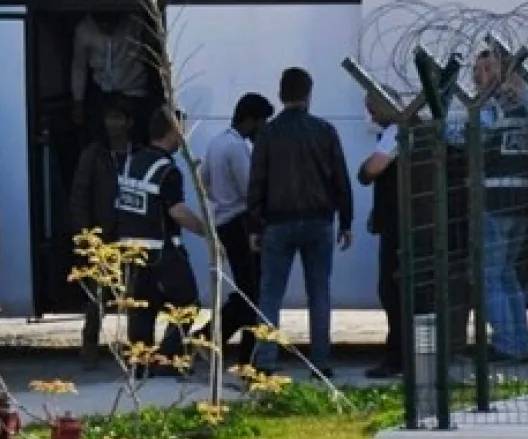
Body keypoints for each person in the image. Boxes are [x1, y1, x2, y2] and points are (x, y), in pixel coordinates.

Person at [246, 67, 354, 376]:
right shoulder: (325, 131)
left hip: (278, 223)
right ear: (308, 94)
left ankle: (265, 362)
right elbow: (341, 180)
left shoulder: (267, 133)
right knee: (319, 292)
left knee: (270, 294)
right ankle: (320, 363)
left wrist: (254, 225)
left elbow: (258, 181)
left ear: (281, 95)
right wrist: (346, 221)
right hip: (319, 221)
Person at [448, 50, 528, 363]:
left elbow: (462, 136)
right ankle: (521, 342)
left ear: (494, 72)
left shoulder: (489, 107)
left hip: (492, 201)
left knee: (488, 276)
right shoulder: (522, 105)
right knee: (507, 275)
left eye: (480, 70)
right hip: (520, 201)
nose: (475, 78)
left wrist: (440, 114)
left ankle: (508, 344)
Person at [115, 107, 207, 378]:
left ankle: (138, 365)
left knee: (142, 309)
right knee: (188, 303)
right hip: (162, 251)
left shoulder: (131, 161)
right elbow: (176, 211)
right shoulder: (167, 170)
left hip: (131, 250)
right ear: (172, 132)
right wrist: (209, 233)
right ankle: (167, 358)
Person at [203, 92, 275, 368]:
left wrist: (220, 199)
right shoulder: (237, 148)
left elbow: (204, 179)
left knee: (246, 288)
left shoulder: (217, 142)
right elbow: (251, 189)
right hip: (240, 222)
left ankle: (211, 339)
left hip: (223, 219)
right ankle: (244, 354)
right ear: (250, 120)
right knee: (252, 293)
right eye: (262, 122)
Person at [69, 94, 136, 367]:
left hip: (132, 232)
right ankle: (90, 345)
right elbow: (80, 194)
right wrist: (85, 233)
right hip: (103, 233)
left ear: (129, 122)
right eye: (110, 118)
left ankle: (135, 348)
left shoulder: (138, 153)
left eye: (118, 118)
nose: (113, 124)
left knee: (134, 294)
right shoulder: (94, 154)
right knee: (97, 294)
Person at [358, 93, 403, 380]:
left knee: (391, 291)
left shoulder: (395, 133)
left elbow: (372, 169)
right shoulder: (406, 129)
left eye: (373, 110)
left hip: (398, 225)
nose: (371, 117)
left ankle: (396, 357)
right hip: (399, 220)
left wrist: (363, 170)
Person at [71, 13, 151, 143]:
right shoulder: (84, 29)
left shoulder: (136, 22)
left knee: (136, 138)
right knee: (99, 138)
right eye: (101, 25)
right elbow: (79, 66)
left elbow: (151, 46)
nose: (106, 28)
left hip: (133, 91)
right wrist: (78, 102)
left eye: (111, 24)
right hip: (102, 91)